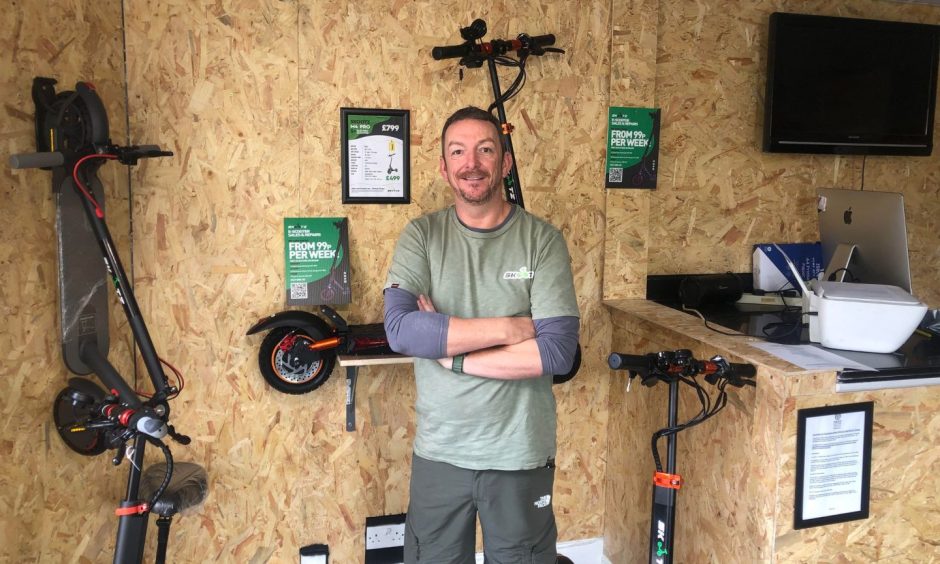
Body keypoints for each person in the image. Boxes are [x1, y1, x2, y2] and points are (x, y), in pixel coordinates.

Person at [383, 106, 580, 563]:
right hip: (441, 451)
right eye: (458, 151)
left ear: (505, 163)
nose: (471, 163)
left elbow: (555, 351)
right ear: (444, 166)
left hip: (519, 452)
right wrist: (510, 328)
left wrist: (450, 352)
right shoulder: (421, 237)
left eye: (485, 150)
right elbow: (400, 330)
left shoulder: (542, 240)